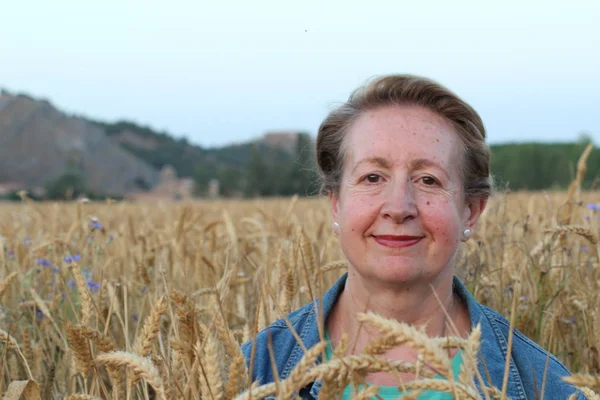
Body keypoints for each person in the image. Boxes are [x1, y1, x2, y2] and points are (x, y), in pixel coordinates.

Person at [241, 75, 582, 399]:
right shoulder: (252, 372)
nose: (398, 207)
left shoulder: (546, 386)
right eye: (372, 177)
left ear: (471, 210)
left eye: (428, 180)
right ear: (335, 204)